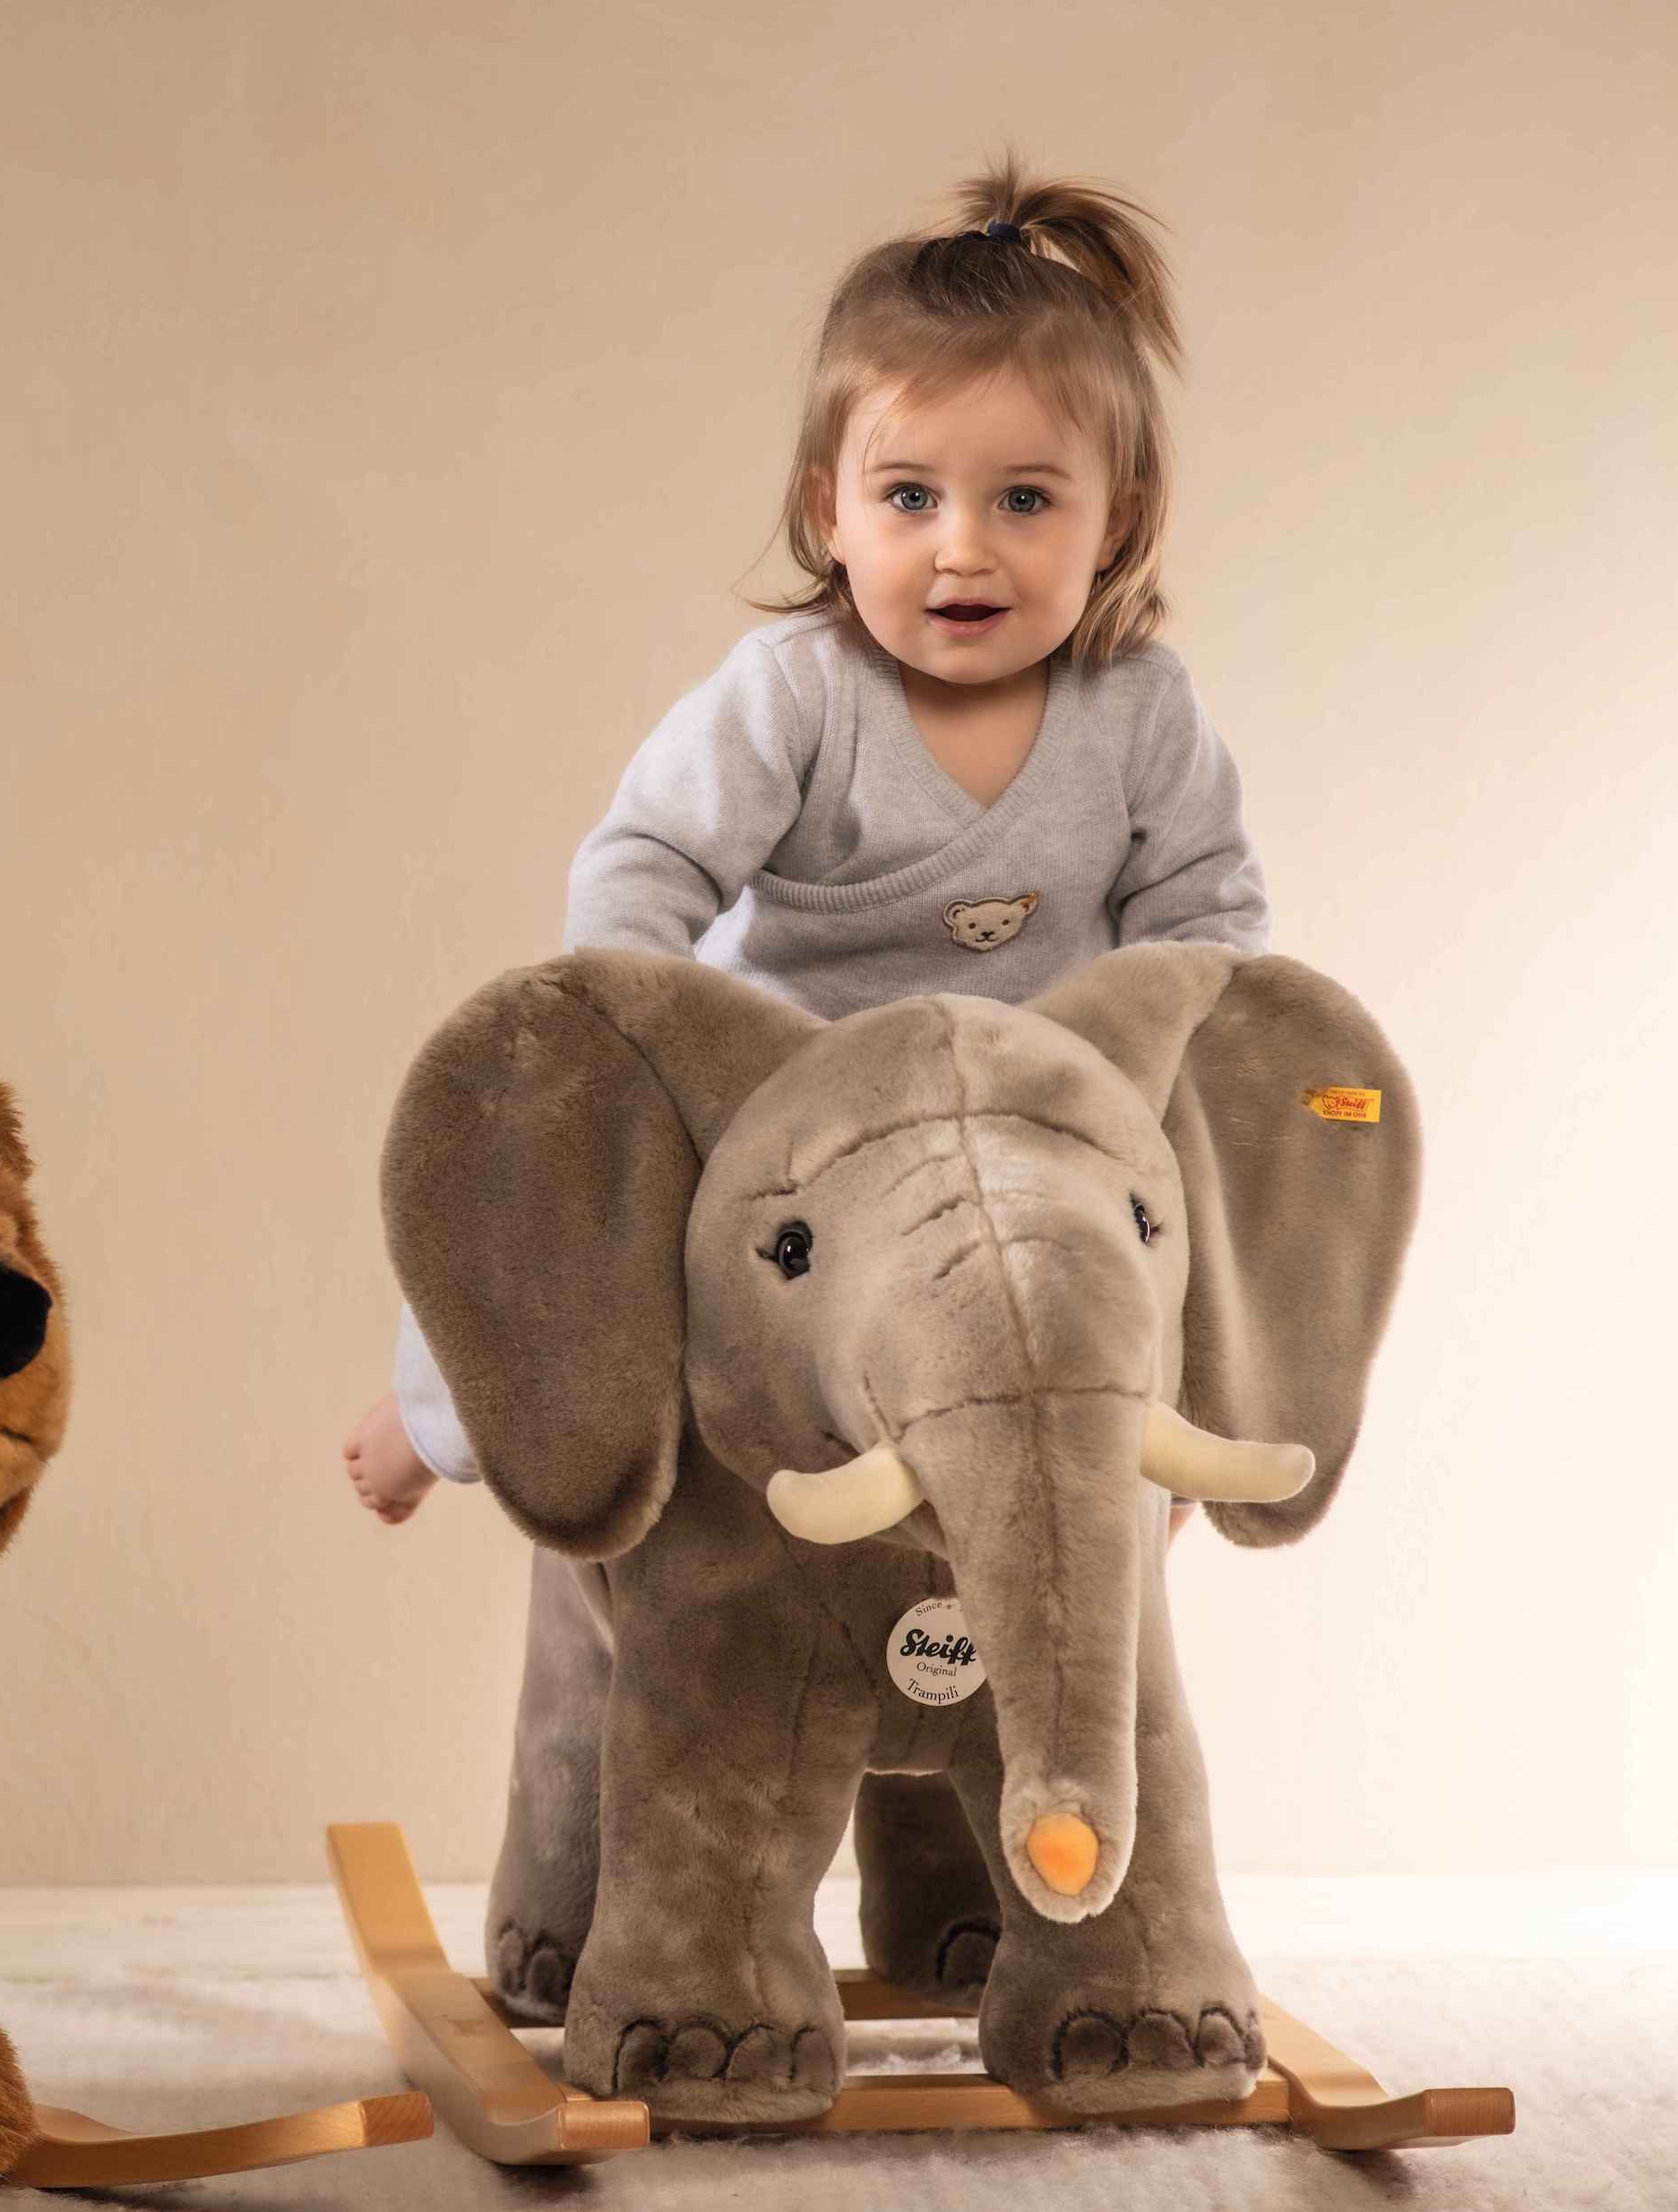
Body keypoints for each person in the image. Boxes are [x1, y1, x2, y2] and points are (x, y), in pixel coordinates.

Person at [345, 159, 1269, 1524]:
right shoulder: (797, 693)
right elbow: (644, 865)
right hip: (789, 1111)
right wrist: (653, 1052)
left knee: (1223, 1167)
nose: (964, 548)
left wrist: (1156, 1076)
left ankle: (1180, 1434)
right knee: (556, 1152)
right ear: (830, 508)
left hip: (1023, 1125)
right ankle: (452, 1412)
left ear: (1115, 516)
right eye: (910, 497)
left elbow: (1207, 919)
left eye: (1025, 500)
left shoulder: (1137, 708)